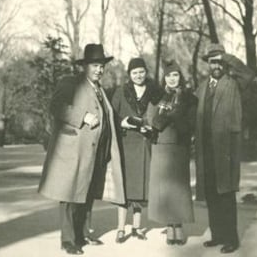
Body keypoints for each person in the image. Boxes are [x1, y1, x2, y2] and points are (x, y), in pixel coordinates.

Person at [38, 43, 126, 255]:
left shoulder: (99, 89)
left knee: (86, 194)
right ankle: (68, 241)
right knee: (69, 196)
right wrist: (82, 116)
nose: (99, 70)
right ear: (85, 66)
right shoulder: (71, 83)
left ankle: (83, 233)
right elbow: (56, 106)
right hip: (73, 152)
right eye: (95, 65)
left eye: (101, 66)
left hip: (95, 152)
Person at [195, 43, 254, 254]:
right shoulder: (201, 88)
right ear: (207, 65)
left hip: (226, 150)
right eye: (213, 62)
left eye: (220, 61)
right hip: (206, 151)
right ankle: (217, 235)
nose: (217, 65)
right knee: (211, 195)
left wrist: (227, 57)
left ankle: (232, 239)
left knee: (226, 196)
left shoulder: (233, 83)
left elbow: (248, 74)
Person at [111, 57, 162, 243]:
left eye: (141, 71)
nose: (138, 75)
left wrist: (151, 127)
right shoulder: (121, 92)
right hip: (126, 144)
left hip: (145, 144)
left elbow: (159, 116)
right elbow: (112, 116)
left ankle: (137, 227)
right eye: (134, 72)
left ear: (145, 72)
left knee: (140, 188)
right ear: (129, 74)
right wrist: (122, 123)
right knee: (125, 187)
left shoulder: (154, 93)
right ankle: (120, 228)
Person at [147, 60, 196, 246]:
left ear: (180, 77)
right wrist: (170, 115)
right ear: (164, 78)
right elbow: (153, 121)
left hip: (179, 146)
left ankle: (179, 225)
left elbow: (190, 124)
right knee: (164, 188)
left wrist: (173, 116)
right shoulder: (158, 96)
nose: (172, 79)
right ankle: (169, 226)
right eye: (169, 75)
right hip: (161, 145)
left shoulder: (189, 97)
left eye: (175, 75)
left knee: (179, 188)